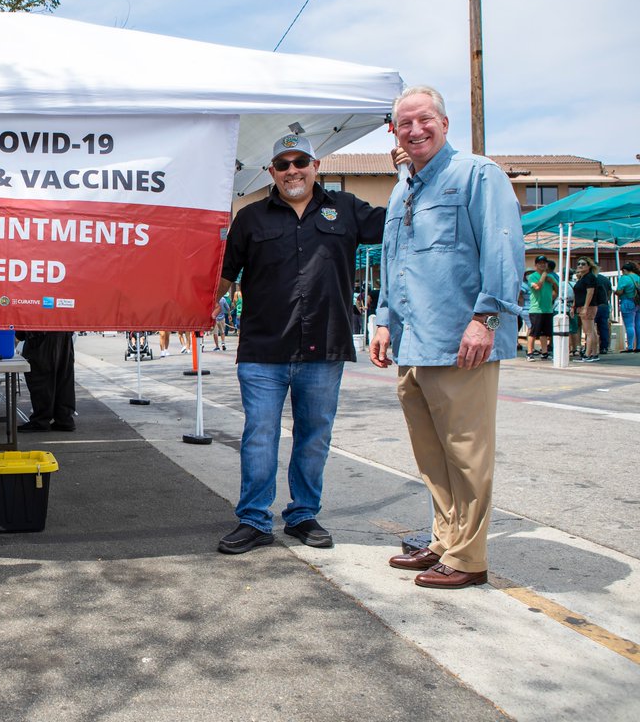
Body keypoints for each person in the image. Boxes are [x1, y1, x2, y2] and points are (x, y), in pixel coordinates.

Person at [370, 85, 523, 590]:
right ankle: (444, 539)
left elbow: (503, 253)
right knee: (432, 453)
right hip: (413, 343)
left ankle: (469, 556)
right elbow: (394, 264)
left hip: (462, 342)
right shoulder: (401, 189)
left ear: (444, 122)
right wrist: (384, 320)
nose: (415, 130)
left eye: (424, 120)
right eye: (404, 123)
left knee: (466, 452)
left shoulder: (478, 175)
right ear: (394, 132)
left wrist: (488, 320)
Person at [216, 133, 384, 555]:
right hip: (262, 350)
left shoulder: (346, 209)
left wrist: (409, 171)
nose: (293, 170)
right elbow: (224, 275)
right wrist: (197, 312)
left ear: (316, 165)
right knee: (260, 435)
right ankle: (254, 520)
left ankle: (303, 514)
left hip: (324, 348)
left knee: (313, 436)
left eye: (300, 161)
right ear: (271, 171)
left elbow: (397, 222)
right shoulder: (250, 219)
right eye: (283, 163)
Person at [17, 331, 77, 432]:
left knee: (41, 379)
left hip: (40, 334)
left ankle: (41, 420)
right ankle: (64, 419)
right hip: (64, 332)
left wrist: (20, 333)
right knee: (63, 378)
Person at [524, 255, 559, 361]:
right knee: (534, 332)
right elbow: (537, 287)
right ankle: (529, 352)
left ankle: (544, 352)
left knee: (545, 332)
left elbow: (557, 290)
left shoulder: (551, 277)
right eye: (540, 263)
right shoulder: (532, 277)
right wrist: (543, 276)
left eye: (544, 263)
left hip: (548, 308)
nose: (543, 265)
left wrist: (552, 282)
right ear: (536, 265)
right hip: (536, 309)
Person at [572, 257, 602, 362]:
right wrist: (574, 306)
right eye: (579, 264)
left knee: (588, 332)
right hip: (585, 306)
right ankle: (593, 353)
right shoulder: (584, 278)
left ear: (589, 266)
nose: (580, 266)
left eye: (583, 264)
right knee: (591, 331)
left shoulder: (589, 278)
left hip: (588, 306)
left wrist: (585, 307)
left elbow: (590, 293)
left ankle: (587, 354)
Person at [614, 261, 640, 352]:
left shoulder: (625, 278)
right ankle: (638, 346)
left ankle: (630, 346)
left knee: (629, 325)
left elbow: (620, 291)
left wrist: (615, 292)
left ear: (625, 270)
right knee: (638, 324)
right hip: (638, 302)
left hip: (627, 302)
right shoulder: (638, 277)